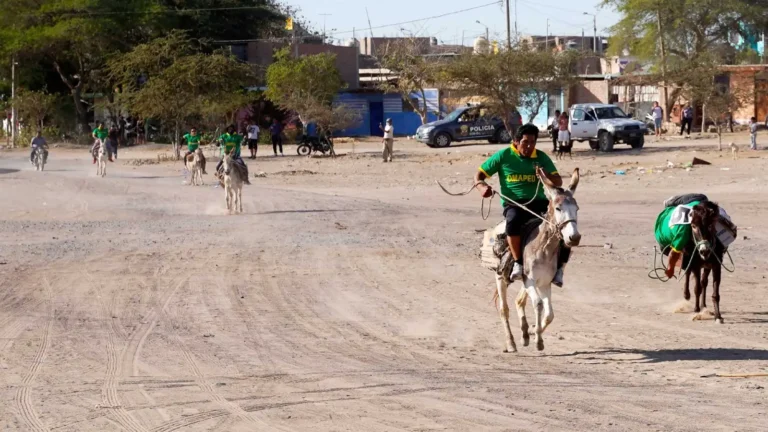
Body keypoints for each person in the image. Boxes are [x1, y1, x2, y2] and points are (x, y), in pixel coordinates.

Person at [474, 123, 570, 286]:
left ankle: (559, 268)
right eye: (525, 142)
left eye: (533, 142)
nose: (529, 146)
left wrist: (545, 175)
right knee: (513, 222)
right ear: (516, 141)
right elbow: (479, 175)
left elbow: (558, 181)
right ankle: (518, 263)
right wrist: (482, 187)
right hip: (514, 204)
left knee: (563, 226)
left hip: (538, 203)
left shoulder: (540, 157)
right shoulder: (503, 156)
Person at [654, 197, 710, 279]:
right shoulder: (683, 234)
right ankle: (668, 202)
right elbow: (673, 254)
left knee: (704, 198)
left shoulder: (704, 221)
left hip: (699, 200)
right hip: (690, 202)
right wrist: (670, 269)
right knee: (669, 204)